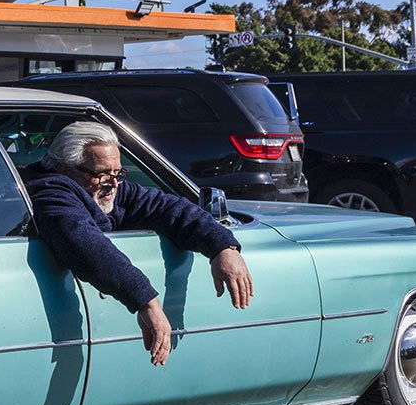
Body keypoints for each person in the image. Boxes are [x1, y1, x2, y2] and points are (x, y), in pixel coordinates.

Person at [22, 122, 254, 366]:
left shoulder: (105, 187)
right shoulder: (50, 193)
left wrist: (223, 248)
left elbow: (168, 208)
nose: (113, 184)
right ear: (63, 169)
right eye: (101, 174)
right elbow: (83, 243)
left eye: (118, 173)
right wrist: (147, 302)